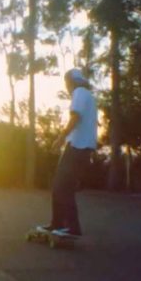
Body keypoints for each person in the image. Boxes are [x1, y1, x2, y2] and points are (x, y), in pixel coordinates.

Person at [38, 68, 98, 238]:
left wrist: (60, 138)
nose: (67, 87)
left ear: (70, 82)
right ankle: (58, 224)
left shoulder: (79, 93)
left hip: (77, 146)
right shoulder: (89, 96)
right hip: (85, 147)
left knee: (61, 186)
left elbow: (75, 117)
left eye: (66, 83)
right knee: (64, 186)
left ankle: (71, 227)